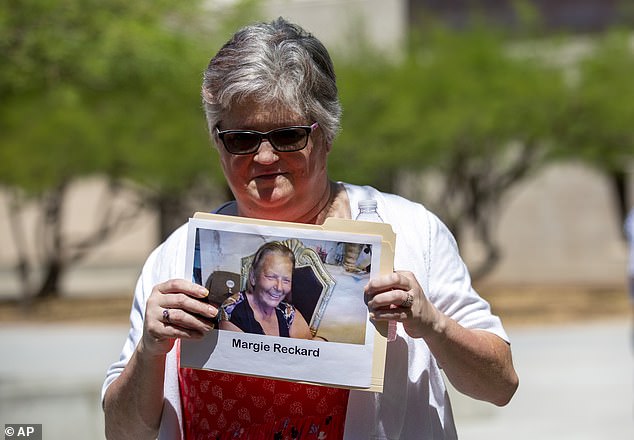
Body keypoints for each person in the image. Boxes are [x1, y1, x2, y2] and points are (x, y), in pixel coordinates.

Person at [102, 17, 518, 439]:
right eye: (241, 139)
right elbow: (120, 432)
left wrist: (432, 323)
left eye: (287, 136)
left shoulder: (410, 232)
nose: (264, 157)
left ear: (327, 135)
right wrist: (150, 352)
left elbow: (500, 385)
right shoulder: (175, 257)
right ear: (217, 141)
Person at [218, 241, 312, 338]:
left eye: (286, 280)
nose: (279, 288)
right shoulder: (232, 311)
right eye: (271, 277)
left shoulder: (288, 312)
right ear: (253, 277)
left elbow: (310, 347)